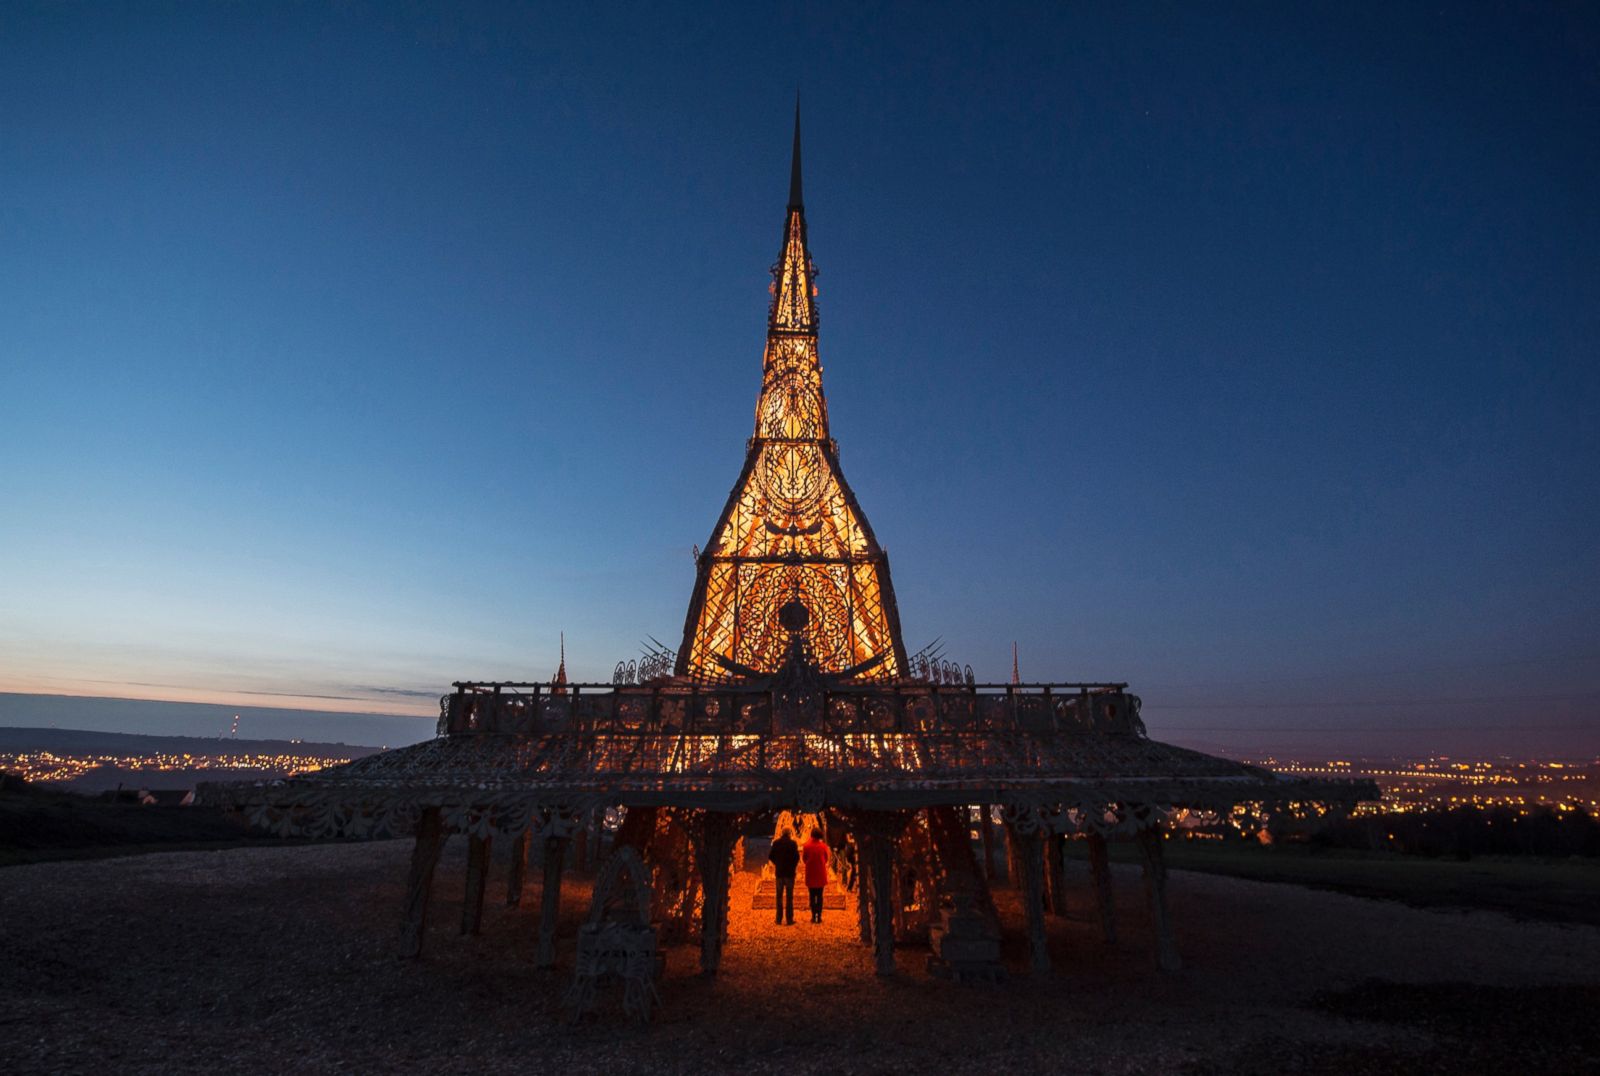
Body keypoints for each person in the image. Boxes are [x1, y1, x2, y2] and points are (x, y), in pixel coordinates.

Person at [769, 828, 799, 925]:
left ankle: (778, 919)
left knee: (779, 897)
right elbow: (797, 858)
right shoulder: (793, 844)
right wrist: (793, 866)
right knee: (789, 897)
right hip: (789, 874)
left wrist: (777, 863)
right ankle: (789, 919)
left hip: (779, 873)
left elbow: (770, 856)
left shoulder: (776, 843)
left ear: (781, 833)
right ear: (790, 834)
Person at [802, 827, 830, 923]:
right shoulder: (823, 846)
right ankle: (819, 916)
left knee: (812, 895)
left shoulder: (806, 846)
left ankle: (813, 916)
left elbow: (804, 859)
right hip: (820, 874)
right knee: (820, 896)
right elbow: (826, 859)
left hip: (810, 874)